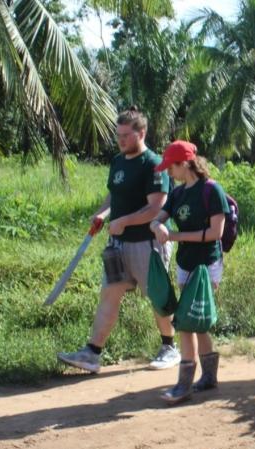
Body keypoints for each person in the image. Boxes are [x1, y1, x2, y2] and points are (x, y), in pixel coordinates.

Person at [57, 107, 177, 373]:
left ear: (141, 133)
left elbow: (156, 209)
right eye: (118, 134)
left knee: (158, 296)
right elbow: (114, 196)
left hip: (148, 243)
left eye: (126, 135)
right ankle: (92, 353)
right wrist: (102, 213)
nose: (120, 140)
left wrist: (123, 222)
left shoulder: (155, 164)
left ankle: (170, 346)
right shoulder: (118, 161)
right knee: (109, 294)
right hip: (118, 244)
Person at [149, 140, 230, 404]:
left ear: (184, 164)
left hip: (207, 264)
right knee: (195, 320)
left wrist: (174, 235)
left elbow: (216, 233)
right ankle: (208, 377)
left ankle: (184, 384)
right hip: (185, 263)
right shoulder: (177, 193)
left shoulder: (212, 191)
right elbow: (157, 219)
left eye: (170, 168)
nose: (168, 173)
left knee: (186, 321)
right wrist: (157, 227)